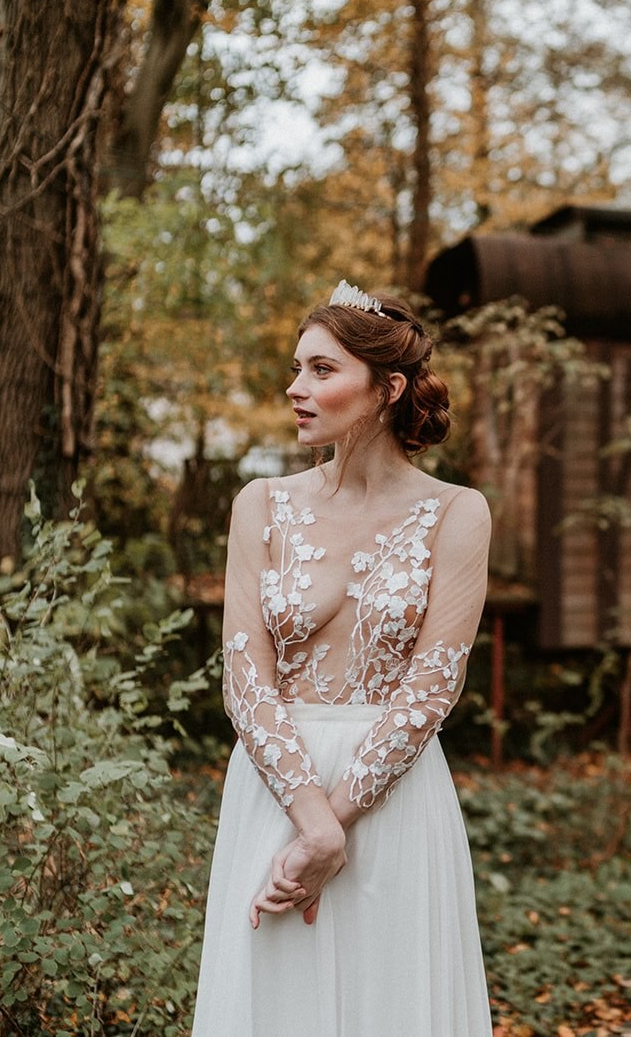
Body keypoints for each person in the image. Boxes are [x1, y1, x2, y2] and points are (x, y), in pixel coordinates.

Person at [192, 281, 493, 1036]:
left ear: (388, 387)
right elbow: (244, 677)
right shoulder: (260, 504)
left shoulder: (457, 512)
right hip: (274, 786)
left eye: (322, 370)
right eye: (297, 369)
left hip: (391, 799)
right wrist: (309, 819)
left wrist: (339, 821)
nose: (296, 389)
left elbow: (430, 687)